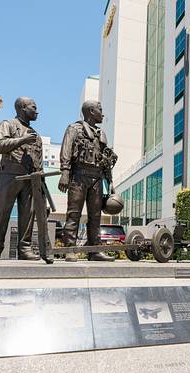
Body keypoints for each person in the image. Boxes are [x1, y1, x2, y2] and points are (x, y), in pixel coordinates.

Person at [0, 97, 52, 263]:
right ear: (23, 107)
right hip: (10, 174)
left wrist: (41, 183)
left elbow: (39, 160)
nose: (37, 111)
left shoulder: (36, 135)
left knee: (28, 214)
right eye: (33, 107)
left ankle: (24, 248)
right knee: (2, 211)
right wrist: (23, 140)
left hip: (31, 178)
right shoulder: (7, 124)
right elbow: (0, 146)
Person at [58, 100, 117, 262]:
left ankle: (95, 250)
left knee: (96, 216)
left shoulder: (101, 133)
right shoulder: (74, 129)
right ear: (91, 111)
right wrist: (65, 172)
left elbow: (105, 159)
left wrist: (110, 182)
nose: (102, 113)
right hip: (79, 176)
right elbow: (66, 150)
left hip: (97, 178)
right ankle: (70, 249)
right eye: (100, 110)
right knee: (74, 214)